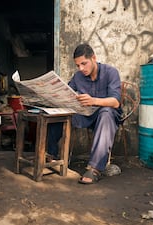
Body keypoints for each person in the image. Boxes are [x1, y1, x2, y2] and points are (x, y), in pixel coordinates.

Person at [47, 43, 122, 184]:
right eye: (78, 65)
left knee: (106, 113)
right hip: (84, 115)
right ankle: (51, 155)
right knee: (58, 114)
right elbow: (67, 95)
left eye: (84, 64)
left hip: (106, 116)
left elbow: (115, 102)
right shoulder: (78, 77)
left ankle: (94, 168)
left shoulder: (111, 72)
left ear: (93, 58)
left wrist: (94, 100)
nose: (81, 69)